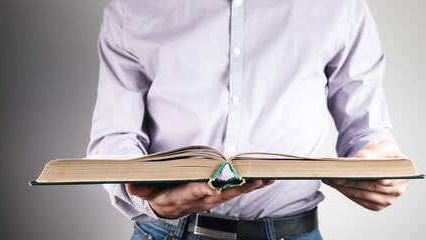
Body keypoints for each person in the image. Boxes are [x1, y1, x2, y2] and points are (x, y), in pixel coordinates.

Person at [87, 0, 409, 239]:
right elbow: (114, 137)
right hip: (163, 231)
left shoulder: (341, 5)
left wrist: (378, 169)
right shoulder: (131, 6)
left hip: (292, 231)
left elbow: (367, 135)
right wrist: (150, 202)